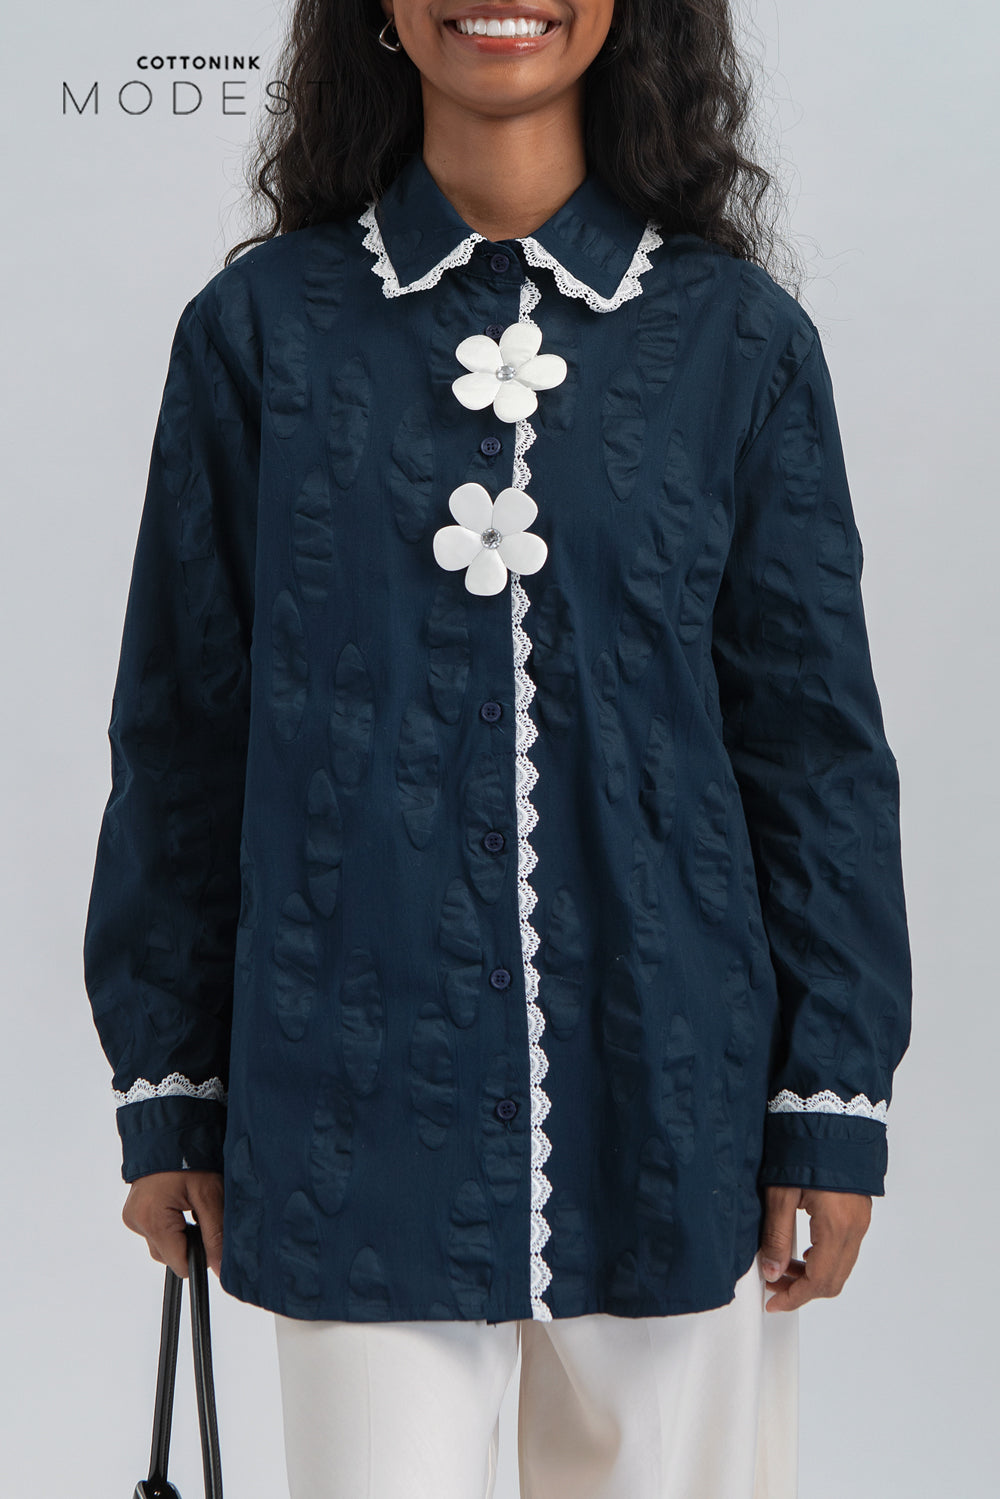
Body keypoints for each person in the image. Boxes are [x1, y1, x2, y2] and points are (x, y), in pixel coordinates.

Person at [82, 1, 913, 1495]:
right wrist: (171, 1087)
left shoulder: (740, 344)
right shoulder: (260, 333)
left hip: (679, 1105)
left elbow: (814, 749)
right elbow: (182, 734)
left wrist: (830, 1103)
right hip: (346, 1113)